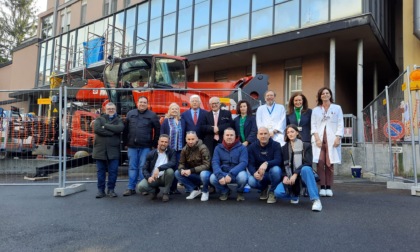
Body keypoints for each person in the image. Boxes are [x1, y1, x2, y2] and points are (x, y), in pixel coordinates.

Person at [274, 124, 322, 211]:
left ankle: (316, 200)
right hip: (290, 177)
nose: (290, 134)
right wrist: (284, 176)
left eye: (292, 131)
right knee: (277, 192)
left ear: (297, 133)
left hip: (303, 176)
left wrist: (295, 174)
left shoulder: (306, 146)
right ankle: (294, 195)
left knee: (306, 169)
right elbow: (282, 166)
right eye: (288, 132)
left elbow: (308, 163)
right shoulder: (283, 148)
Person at [123, 96, 161, 197]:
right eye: (141, 102)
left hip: (146, 146)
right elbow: (125, 130)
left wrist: (154, 144)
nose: (142, 104)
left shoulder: (152, 115)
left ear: (147, 104)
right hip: (132, 146)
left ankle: (143, 187)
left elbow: (157, 131)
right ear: (137, 103)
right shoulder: (130, 114)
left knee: (143, 167)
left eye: (144, 102)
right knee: (132, 167)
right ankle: (131, 188)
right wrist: (125, 143)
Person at [311, 87, 344, 197]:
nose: (325, 95)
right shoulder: (316, 110)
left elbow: (340, 123)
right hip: (319, 139)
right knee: (320, 163)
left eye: (327, 93)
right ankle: (322, 186)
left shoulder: (337, 108)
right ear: (320, 96)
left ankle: (329, 187)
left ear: (330, 95)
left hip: (332, 138)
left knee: (330, 163)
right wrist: (317, 138)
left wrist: (338, 137)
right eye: (323, 93)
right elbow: (313, 125)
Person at [92, 102, 124, 198]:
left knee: (113, 171)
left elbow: (120, 128)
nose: (111, 110)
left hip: (113, 150)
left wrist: (105, 126)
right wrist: (111, 132)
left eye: (112, 108)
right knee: (100, 171)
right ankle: (100, 191)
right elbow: (97, 129)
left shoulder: (119, 119)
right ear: (105, 110)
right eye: (109, 108)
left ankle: (111, 190)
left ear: (115, 109)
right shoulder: (99, 119)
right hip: (100, 150)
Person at [210, 128, 248, 201]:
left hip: (237, 173)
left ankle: (240, 192)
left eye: (231, 135)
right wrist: (219, 175)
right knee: (212, 178)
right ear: (223, 136)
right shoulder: (218, 148)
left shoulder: (242, 148)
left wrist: (231, 174)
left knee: (243, 177)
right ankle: (225, 191)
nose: (229, 137)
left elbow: (243, 163)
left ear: (235, 136)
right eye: (227, 135)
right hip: (223, 173)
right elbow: (215, 162)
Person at [136, 134, 176, 202]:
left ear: (168, 143)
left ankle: (165, 193)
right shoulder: (151, 153)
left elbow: (172, 163)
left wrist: (159, 168)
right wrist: (148, 177)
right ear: (158, 142)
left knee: (170, 171)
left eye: (166, 142)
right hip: (154, 178)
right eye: (162, 141)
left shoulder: (171, 152)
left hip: (164, 177)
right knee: (140, 187)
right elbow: (144, 168)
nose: (163, 143)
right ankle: (155, 191)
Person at [286, 93, 312, 197]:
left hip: (305, 140)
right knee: (295, 164)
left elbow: (312, 125)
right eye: (295, 100)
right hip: (293, 141)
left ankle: (306, 188)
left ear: (303, 101)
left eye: (300, 100)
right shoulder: (289, 113)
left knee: (306, 164)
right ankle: (296, 187)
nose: (298, 102)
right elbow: (287, 128)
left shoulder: (309, 112)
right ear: (292, 102)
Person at [247, 127, 282, 203]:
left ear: (269, 135)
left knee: (276, 170)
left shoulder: (276, 145)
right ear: (257, 136)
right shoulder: (252, 147)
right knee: (251, 181)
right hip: (260, 174)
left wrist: (266, 163)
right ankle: (263, 189)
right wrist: (254, 173)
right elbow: (250, 164)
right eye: (261, 134)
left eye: (265, 133)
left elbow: (278, 160)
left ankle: (272, 192)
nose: (263, 136)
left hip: (272, 173)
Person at [174, 131, 212, 201]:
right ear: (185, 139)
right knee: (177, 173)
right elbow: (181, 163)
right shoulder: (184, 149)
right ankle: (194, 190)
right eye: (189, 139)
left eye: (192, 139)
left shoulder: (203, 148)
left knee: (204, 174)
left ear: (197, 138)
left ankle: (205, 191)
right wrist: (182, 169)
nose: (190, 142)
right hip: (194, 174)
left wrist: (191, 170)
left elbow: (207, 165)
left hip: (206, 174)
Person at [160, 102, 185, 194]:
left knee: (177, 169)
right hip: (169, 150)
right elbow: (162, 134)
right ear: (169, 110)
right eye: (172, 109)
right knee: (169, 169)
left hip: (180, 150)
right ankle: (168, 188)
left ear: (179, 111)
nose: (174, 110)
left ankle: (174, 188)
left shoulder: (182, 121)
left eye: (176, 109)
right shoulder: (166, 121)